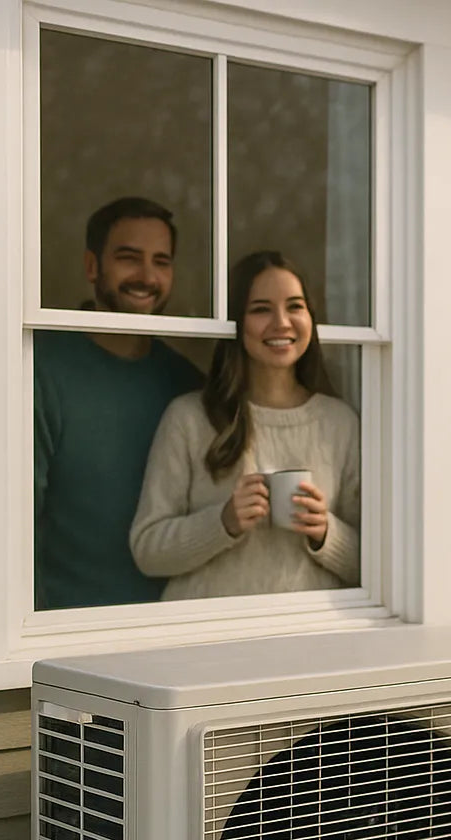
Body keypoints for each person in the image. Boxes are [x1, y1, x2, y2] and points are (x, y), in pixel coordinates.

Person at [130, 250, 360, 598]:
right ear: (236, 322)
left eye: (295, 306)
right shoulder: (189, 418)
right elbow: (147, 551)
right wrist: (222, 522)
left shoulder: (340, 423)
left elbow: (380, 565)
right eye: (261, 309)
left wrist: (326, 532)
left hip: (310, 639)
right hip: (205, 638)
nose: (281, 322)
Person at [34, 196, 203, 610]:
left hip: (175, 623)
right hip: (63, 630)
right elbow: (13, 529)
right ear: (93, 266)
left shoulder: (185, 383)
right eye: (129, 258)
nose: (147, 276)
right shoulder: (41, 368)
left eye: (161, 262)